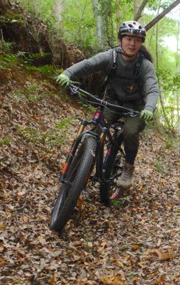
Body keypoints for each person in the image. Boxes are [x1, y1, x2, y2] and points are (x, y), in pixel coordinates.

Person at [54, 20, 160, 190]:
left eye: (137, 40)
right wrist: (68, 74)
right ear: (120, 40)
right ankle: (83, 165)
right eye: (128, 39)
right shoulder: (110, 56)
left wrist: (149, 107)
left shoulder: (145, 66)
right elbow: (88, 64)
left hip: (135, 108)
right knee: (94, 130)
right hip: (112, 102)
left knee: (130, 131)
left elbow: (152, 89)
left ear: (141, 43)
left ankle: (128, 168)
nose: (132, 43)